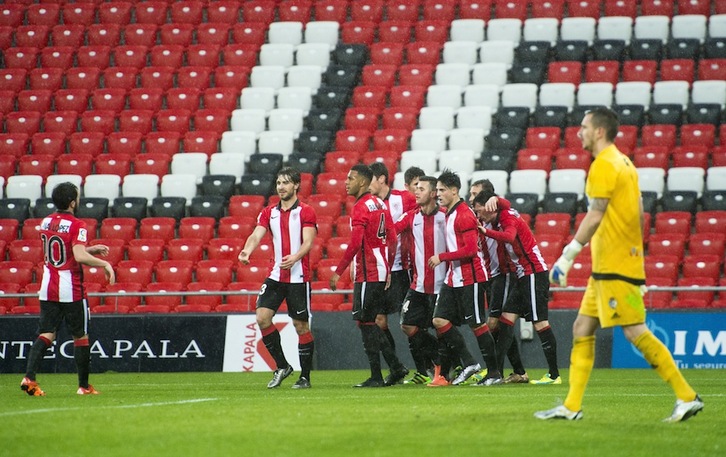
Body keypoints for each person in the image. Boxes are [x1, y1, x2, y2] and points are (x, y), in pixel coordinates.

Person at [535, 107, 704, 422]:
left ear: (599, 131)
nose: (580, 132)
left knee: (634, 330)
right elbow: (639, 213)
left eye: (584, 127)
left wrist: (567, 255)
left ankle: (687, 396)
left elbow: (596, 214)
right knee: (581, 327)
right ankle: (571, 406)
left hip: (614, 268)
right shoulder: (625, 163)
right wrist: (632, 251)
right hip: (609, 268)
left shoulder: (603, 165)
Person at [21, 182, 115, 397]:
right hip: (70, 288)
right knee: (80, 336)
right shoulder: (77, 224)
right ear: (73, 202)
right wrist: (105, 264)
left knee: (47, 333)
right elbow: (79, 257)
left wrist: (90, 249)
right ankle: (83, 386)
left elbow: (60, 250)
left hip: (48, 285)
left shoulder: (46, 221)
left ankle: (30, 377)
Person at [329, 164, 409, 387]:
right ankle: (395, 367)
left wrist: (338, 271)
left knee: (365, 322)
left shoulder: (361, 206)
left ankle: (379, 374)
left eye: (351, 178)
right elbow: (392, 238)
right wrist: (389, 265)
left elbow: (356, 242)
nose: (346, 182)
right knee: (369, 321)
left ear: (363, 182)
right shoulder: (380, 204)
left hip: (368, 272)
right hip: (382, 269)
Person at [238, 167, 317, 389]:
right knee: (262, 317)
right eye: (279, 182)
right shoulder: (268, 212)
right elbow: (256, 234)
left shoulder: (306, 212)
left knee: (301, 326)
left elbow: (308, 242)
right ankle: (282, 366)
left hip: (298, 277)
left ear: (296, 186)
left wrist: (295, 257)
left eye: (285, 182)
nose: (281, 186)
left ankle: (305, 378)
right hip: (276, 275)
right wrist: (247, 251)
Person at [473, 190, 560, 385]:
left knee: (540, 323)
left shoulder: (505, 217)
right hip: (522, 276)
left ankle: (554, 375)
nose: (479, 215)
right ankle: (501, 373)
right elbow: (502, 203)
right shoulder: (500, 214)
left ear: (489, 207)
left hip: (533, 273)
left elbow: (510, 237)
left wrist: (486, 232)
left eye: (480, 210)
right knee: (505, 321)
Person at [427, 169, 502, 386]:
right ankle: (470, 362)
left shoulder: (464, 214)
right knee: (439, 320)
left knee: (478, 325)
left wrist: (442, 257)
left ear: (453, 190)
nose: (438, 193)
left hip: (472, 277)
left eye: (441, 190)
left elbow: (470, 250)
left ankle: (494, 372)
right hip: (454, 278)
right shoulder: (449, 213)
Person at [470, 180, 529, 384]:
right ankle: (517, 371)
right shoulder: (479, 217)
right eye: (471, 194)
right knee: (499, 326)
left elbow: (507, 206)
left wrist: (498, 200)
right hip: (489, 276)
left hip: (502, 275)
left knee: (495, 323)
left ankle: (494, 371)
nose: (472, 198)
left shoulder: (498, 216)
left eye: (476, 194)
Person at [393, 176, 447, 385]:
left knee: (442, 328)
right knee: (407, 324)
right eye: (415, 188)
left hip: (443, 285)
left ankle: (443, 372)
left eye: (422, 188)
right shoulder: (411, 216)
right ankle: (442, 359)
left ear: (434, 193)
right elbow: (391, 231)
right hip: (419, 285)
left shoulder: (445, 216)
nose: (416, 191)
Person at [368, 162, 417, 373]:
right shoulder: (368, 204)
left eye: (369, 180)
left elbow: (425, 208)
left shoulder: (403, 198)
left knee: (410, 324)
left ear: (381, 179)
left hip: (402, 269)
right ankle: (396, 367)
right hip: (380, 270)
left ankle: (434, 364)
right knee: (379, 320)